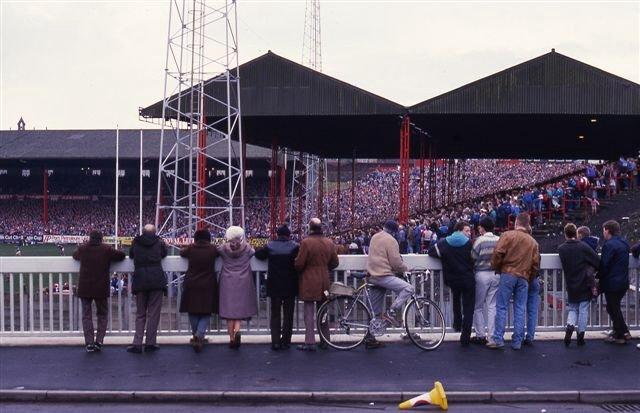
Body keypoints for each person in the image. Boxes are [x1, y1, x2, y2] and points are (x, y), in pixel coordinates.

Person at [488, 212, 540, 350]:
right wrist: (530, 276)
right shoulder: (533, 242)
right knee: (520, 308)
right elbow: (535, 264)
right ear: (528, 224)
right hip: (524, 277)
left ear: (516, 222)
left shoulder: (507, 235)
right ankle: (517, 341)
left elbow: (498, 253)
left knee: (502, 306)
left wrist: (497, 267)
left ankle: (498, 339)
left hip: (507, 274)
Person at [72, 230, 125, 352]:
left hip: (85, 287)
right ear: (101, 238)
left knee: (86, 315)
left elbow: (75, 256)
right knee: (102, 315)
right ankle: (99, 341)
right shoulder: (106, 249)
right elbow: (121, 256)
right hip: (101, 287)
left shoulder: (83, 248)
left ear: (90, 238)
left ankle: (89, 342)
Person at [365, 220, 412, 349]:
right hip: (383, 276)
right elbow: (396, 262)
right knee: (409, 288)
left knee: (375, 312)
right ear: (394, 232)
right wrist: (405, 268)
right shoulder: (391, 241)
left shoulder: (375, 236)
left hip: (372, 276)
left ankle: (370, 338)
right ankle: (391, 311)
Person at [294, 218, 339, 351]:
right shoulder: (329, 242)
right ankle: (325, 340)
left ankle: (309, 342)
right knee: (323, 311)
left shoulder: (306, 242)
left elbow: (299, 264)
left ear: (310, 228)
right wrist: (324, 268)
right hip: (324, 281)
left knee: (308, 312)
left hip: (309, 281)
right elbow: (335, 262)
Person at [428, 221, 475, 346]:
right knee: (468, 308)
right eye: (467, 231)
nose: (469, 234)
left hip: (453, 279)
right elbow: (474, 259)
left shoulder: (444, 242)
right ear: (460, 230)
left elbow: (432, 251)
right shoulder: (469, 243)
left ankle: (457, 325)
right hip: (468, 278)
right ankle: (465, 336)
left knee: (455, 300)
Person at [255, 225, 299, 351]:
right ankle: (286, 341)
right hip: (290, 284)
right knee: (288, 315)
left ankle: (275, 342)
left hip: (274, 285)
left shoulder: (270, 246)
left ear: (277, 234)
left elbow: (259, 255)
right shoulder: (295, 246)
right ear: (288, 235)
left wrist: (257, 248)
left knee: (275, 315)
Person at [127, 224, 168, 354]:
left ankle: (137, 343)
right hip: (156, 279)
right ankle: (150, 342)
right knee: (153, 314)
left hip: (140, 280)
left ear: (143, 232)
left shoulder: (136, 242)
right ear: (154, 232)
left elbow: (131, 254)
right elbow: (163, 254)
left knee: (140, 313)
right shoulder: (159, 242)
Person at [558, 223, 600, 346]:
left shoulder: (561, 249)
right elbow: (597, 261)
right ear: (576, 233)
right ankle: (580, 336)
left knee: (572, 308)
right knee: (583, 309)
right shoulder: (582, 246)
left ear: (565, 234)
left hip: (571, 283)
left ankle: (570, 326)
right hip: (584, 282)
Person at [179, 229, 218, 353]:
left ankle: (196, 335)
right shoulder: (212, 249)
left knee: (192, 310)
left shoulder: (191, 249)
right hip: (208, 283)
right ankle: (199, 335)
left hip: (192, 283)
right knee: (206, 311)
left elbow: (181, 253)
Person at [217, 226, 257, 349]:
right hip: (243, 281)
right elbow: (253, 252)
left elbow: (217, 250)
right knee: (238, 311)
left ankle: (231, 338)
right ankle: (237, 331)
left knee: (229, 312)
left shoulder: (223, 249)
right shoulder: (247, 248)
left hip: (227, 281)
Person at [598, 220, 631, 344]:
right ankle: (621, 332)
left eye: (603, 230)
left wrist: (598, 277)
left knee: (612, 307)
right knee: (613, 307)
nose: (603, 233)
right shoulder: (624, 243)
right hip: (623, 281)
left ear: (607, 230)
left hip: (612, 282)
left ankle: (621, 335)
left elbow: (604, 265)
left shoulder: (609, 245)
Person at [470, 217, 500, 345]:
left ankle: (480, 334)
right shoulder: (499, 240)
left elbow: (472, 257)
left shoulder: (480, 240)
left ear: (483, 227)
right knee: (492, 305)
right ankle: (492, 336)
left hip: (481, 274)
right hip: (496, 274)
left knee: (478, 306)